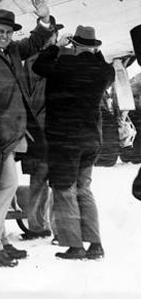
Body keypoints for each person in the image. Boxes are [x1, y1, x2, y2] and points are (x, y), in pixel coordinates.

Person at [0, 0, 54, 267]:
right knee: (6, 187)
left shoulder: (13, 50)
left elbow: (36, 42)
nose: (4, 36)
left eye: (8, 32)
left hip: (11, 132)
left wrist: (44, 20)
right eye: (0, 31)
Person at [32, 25, 115, 260]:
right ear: (95, 47)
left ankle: (75, 245)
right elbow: (105, 67)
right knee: (84, 188)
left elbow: (38, 66)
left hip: (65, 142)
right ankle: (95, 244)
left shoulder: (64, 65)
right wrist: (93, 49)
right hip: (91, 140)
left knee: (64, 189)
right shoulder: (104, 72)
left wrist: (56, 47)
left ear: (75, 46)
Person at [21, 16, 65, 240]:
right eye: (48, 35)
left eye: (53, 34)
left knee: (50, 180)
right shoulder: (33, 62)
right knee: (42, 179)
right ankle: (38, 226)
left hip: (48, 128)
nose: (51, 38)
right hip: (42, 129)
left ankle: (48, 227)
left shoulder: (54, 60)